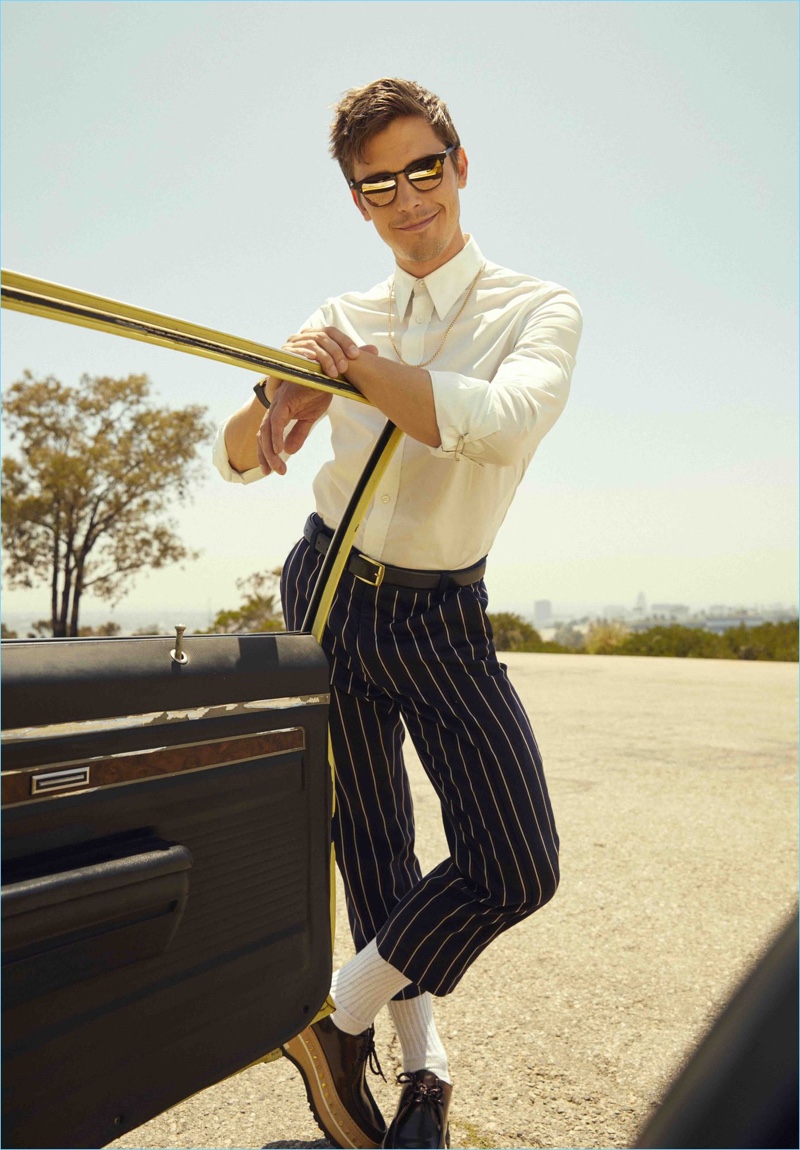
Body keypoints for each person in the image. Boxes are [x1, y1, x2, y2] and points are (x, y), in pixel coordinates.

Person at [213, 77, 582, 1150]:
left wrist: (363, 377)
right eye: (378, 184)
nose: (406, 196)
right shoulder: (335, 322)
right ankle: (421, 1081)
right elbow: (237, 460)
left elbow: (497, 425)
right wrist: (270, 403)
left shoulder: (534, 309)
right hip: (326, 584)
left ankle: (334, 1018)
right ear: (359, 203)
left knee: (516, 861)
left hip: (442, 608)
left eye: (423, 168)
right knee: (371, 843)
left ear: (459, 167)